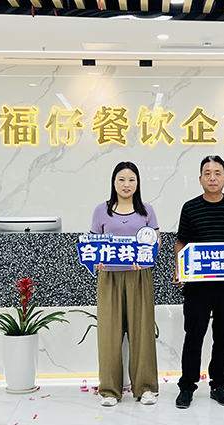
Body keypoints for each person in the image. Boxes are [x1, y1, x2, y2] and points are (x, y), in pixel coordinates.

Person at [173, 155, 224, 409]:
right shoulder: (190, 207)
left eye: (217, 173)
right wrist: (178, 269)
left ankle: (219, 385)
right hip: (197, 285)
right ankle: (187, 386)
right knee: (193, 335)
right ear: (200, 179)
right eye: (207, 173)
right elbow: (181, 242)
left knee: (222, 336)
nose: (212, 178)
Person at [91, 161, 160, 407]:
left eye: (131, 179)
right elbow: (93, 245)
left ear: (138, 183)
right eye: (121, 179)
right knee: (109, 334)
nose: (126, 184)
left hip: (139, 277)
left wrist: (146, 258)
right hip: (109, 278)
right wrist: (96, 262)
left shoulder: (147, 210)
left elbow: (156, 242)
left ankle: (145, 388)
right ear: (113, 182)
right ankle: (110, 390)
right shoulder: (101, 210)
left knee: (142, 332)